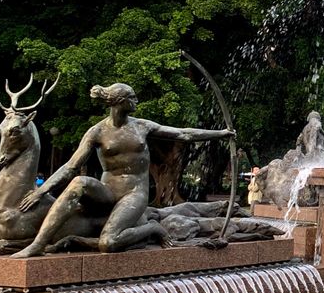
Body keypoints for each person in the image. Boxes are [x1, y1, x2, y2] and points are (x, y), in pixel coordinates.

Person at [14, 82, 234, 256]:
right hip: (108, 190)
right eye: (132, 97)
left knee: (108, 243)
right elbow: (71, 166)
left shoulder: (142, 126)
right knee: (79, 182)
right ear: (120, 102)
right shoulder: (97, 131)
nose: (136, 101)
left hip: (134, 193)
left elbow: (183, 134)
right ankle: (38, 244)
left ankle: (152, 229)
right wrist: (41, 191)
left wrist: (220, 134)